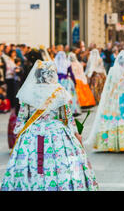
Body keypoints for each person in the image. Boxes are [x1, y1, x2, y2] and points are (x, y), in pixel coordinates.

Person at [1, 60, 98, 191]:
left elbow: (22, 118)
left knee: (30, 165)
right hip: (58, 134)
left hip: (32, 134)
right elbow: (68, 118)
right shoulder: (59, 92)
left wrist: (19, 135)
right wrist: (75, 134)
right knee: (63, 164)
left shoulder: (28, 93)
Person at [85, 51, 124, 152]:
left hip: (114, 98)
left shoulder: (113, 70)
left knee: (113, 119)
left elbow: (109, 85)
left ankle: (111, 143)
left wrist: (108, 97)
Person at [54, 51, 81, 116]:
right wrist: (74, 81)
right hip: (66, 81)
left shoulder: (55, 63)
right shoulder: (67, 63)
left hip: (58, 81)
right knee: (69, 95)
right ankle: (71, 110)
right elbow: (71, 73)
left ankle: (58, 111)